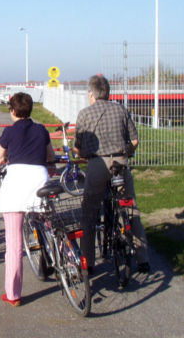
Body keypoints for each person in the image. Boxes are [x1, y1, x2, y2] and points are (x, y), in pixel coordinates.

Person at [74, 75, 150, 274]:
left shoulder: (84, 114)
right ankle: (143, 259)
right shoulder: (120, 110)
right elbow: (134, 140)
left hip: (97, 164)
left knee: (89, 213)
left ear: (91, 94)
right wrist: (126, 153)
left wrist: (81, 153)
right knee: (130, 209)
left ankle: (88, 262)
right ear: (108, 92)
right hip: (120, 163)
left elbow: (80, 149)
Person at [0, 92, 55, 306]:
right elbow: (50, 156)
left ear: (13, 111)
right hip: (39, 181)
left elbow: (0, 157)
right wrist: (50, 166)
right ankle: (63, 262)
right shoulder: (42, 130)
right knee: (49, 228)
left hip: (16, 184)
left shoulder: (9, 132)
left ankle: (13, 294)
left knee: (14, 244)